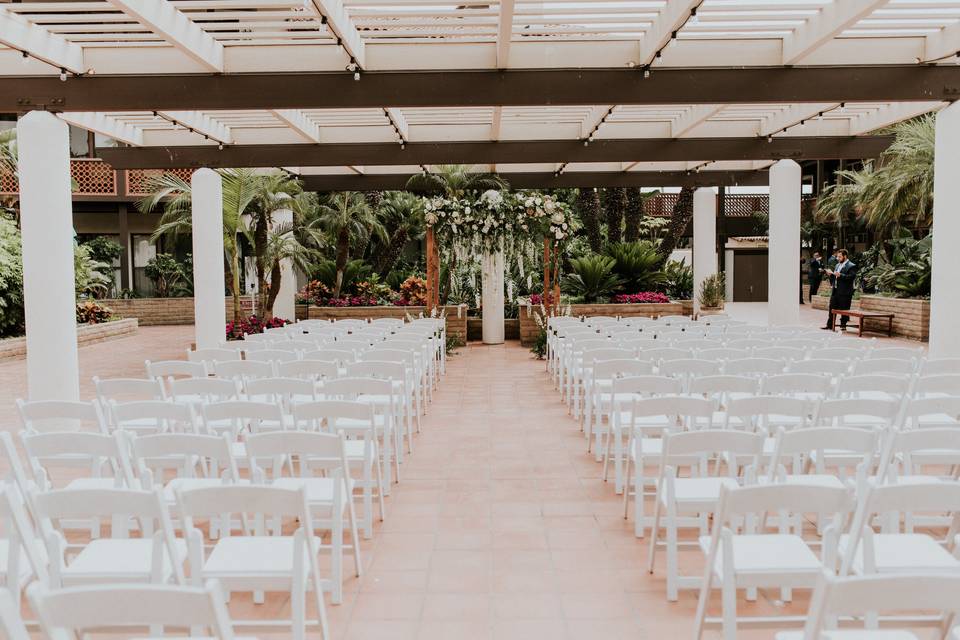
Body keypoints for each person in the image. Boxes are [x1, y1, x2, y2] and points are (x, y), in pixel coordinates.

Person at [822, 249, 857, 331]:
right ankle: (829, 325)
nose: (838, 258)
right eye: (837, 256)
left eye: (840, 257)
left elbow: (851, 277)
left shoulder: (851, 266)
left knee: (844, 309)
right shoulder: (837, 265)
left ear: (845, 256)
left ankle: (843, 325)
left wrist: (841, 275)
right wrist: (830, 274)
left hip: (845, 292)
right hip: (836, 290)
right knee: (832, 308)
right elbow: (836, 277)